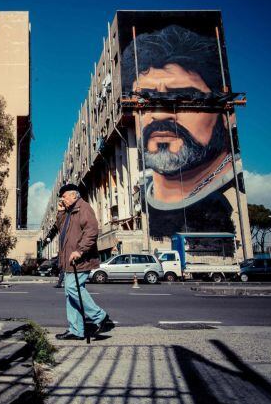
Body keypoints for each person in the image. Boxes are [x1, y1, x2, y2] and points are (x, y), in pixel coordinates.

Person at [121, 24, 242, 238]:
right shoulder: (141, 196)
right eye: (145, 101)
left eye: (182, 98)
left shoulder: (237, 195)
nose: (159, 114)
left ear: (227, 113)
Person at [49, 184, 114, 340]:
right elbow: (61, 229)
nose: (62, 200)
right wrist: (61, 212)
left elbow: (91, 231)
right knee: (70, 293)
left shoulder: (84, 208)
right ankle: (76, 330)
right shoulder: (70, 212)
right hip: (70, 261)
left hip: (81, 259)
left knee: (73, 288)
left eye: (64, 196)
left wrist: (80, 250)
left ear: (74, 195)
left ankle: (100, 317)